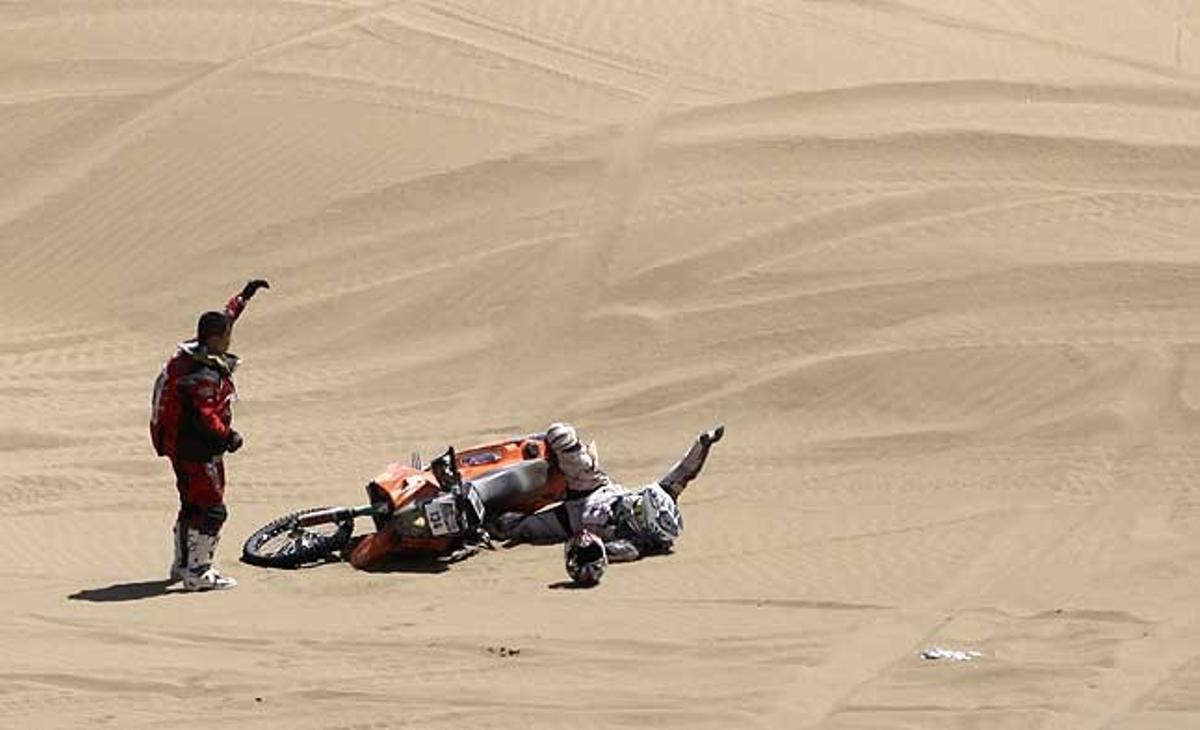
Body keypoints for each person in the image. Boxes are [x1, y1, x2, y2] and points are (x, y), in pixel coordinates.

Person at [495, 421, 724, 585]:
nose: (636, 498)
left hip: (568, 523)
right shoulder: (662, 498)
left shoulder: (631, 546)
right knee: (560, 434)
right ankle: (524, 455)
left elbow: (599, 556)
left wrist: (587, 559)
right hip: (591, 485)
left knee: (506, 527)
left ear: (642, 522)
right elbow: (685, 472)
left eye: (639, 506)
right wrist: (703, 444)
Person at [151, 279, 270, 591]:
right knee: (212, 510)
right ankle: (199, 571)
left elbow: (225, 317)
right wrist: (228, 436)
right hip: (197, 450)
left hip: (180, 448)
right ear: (216, 339)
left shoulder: (194, 353)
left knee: (191, 505)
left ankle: (182, 565)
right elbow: (206, 416)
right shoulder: (201, 376)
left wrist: (244, 296)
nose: (231, 339)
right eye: (227, 336)